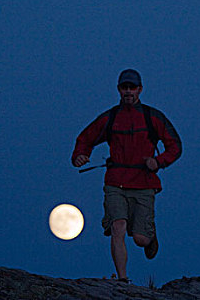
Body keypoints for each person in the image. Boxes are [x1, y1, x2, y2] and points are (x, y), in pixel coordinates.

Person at [71, 69, 182, 282]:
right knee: (117, 227)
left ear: (140, 89)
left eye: (132, 87)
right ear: (119, 90)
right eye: (125, 87)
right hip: (115, 182)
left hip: (144, 183)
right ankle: (123, 280)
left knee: (140, 239)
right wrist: (80, 155)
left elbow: (175, 146)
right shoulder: (110, 118)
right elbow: (85, 138)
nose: (128, 91)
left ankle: (149, 237)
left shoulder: (152, 117)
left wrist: (158, 162)